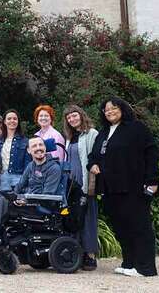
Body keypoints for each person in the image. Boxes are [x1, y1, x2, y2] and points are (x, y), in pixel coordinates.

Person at [88, 97, 159, 277]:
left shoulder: (136, 128)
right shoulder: (103, 132)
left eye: (113, 108)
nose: (110, 111)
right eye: (106, 110)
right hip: (110, 189)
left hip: (133, 185)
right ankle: (129, 263)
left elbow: (151, 152)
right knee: (121, 227)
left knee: (139, 225)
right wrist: (93, 164)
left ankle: (145, 267)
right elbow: (94, 155)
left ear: (122, 108)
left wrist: (152, 181)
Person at [0, 137, 61, 259]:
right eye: (34, 146)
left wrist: (24, 199)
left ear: (45, 148)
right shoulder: (31, 166)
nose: (38, 148)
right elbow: (19, 187)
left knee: (4, 202)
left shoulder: (54, 168)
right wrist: (13, 197)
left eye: (40, 145)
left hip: (41, 206)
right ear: (29, 151)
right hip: (27, 203)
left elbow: (48, 195)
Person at [62, 104, 99, 271]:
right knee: (74, 218)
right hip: (72, 183)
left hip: (85, 182)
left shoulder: (92, 133)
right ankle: (77, 253)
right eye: (69, 117)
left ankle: (90, 255)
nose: (72, 119)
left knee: (88, 218)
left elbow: (95, 159)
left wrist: (91, 184)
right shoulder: (70, 137)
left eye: (74, 115)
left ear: (81, 115)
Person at [0, 110, 31, 191]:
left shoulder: (25, 141)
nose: (12, 121)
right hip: (2, 177)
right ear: (4, 122)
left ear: (18, 121)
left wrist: (25, 180)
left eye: (15, 119)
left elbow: (28, 164)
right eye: (9, 119)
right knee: (4, 202)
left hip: (19, 177)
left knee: (18, 201)